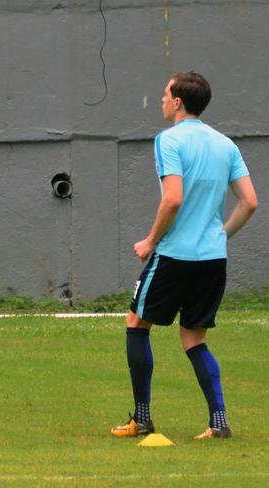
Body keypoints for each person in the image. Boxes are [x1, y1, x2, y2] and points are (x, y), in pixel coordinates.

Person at [111, 72, 257, 439]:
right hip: (212, 259)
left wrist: (149, 241)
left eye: (164, 94)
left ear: (177, 102)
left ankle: (142, 417)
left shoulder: (168, 141)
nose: (161, 99)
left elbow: (173, 198)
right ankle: (218, 422)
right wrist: (221, 234)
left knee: (136, 322)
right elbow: (250, 202)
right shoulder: (225, 144)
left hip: (175, 256)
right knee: (194, 338)